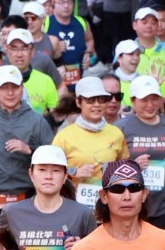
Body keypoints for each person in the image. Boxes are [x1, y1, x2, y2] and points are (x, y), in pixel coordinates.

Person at [0, 65, 56, 250]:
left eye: (14, 87)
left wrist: (29, 150)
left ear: (22, 88)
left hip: (27, 194)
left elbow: (53, 158)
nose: (10, 93)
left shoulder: (37, 121)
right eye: (4, 87)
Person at [117, 75, 165, 230]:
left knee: (164, 249)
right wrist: (132, 165)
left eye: (154, 99)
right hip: (132, 202)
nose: (150, 105)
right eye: (144, 100)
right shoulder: (121, 128)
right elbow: (110, 164)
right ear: (133, 101)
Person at [50, 76, 129, 208]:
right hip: (73, 208)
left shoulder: (116, 134)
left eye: (102, 99)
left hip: (108, 208)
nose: (97, 104)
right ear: (78, 102)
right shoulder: (63, 136)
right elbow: (50, 173)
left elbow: (124, 169)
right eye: (90, 100)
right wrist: (74, 173)